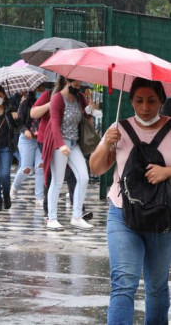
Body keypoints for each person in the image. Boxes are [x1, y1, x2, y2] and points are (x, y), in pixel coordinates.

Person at [90, 78, 171, 324]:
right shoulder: (119, 129)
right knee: (123, 282)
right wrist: (106, 143)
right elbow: (96, 168)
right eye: (139, 101)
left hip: (162, 216)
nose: (145, 107)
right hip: (122, 214)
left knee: (157, 286)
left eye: (151, 101)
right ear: (130, 101)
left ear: (162, 101)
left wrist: (167, 171)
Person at [41, 76, 94, 230]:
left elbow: (86, 116)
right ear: (67, 82)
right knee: (57, 181)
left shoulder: (79, 98)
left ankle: (77, 216)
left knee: (83, 177)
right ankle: (52, 218)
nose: (78, 87)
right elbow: (55, 123)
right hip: (59, 143)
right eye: (75, 84)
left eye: (80, 85)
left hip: (74, 142)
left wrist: (91, 110)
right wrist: (60, 145)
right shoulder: (57, 98)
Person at [11, 86, 46, 207]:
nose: (39, 91)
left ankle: (39, 197)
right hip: (27, 139)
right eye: (37, 88)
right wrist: (25, 130)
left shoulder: (47, 102)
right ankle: (15, 186)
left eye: (41, 88)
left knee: (40, 167)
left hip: (41, 139)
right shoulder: (25, 102)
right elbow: (19, 122)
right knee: (26, 168)